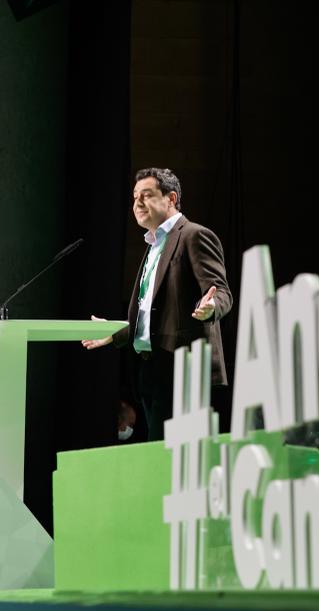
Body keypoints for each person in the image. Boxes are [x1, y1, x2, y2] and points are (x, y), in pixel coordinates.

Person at [83, 168, 233, 441]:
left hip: (182, 369)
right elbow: (155, 316)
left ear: (171, 198)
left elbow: (221, 292)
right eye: (134, 197)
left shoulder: (194, 236)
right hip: (151, 371)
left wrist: (212, 307)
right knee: (159, 459)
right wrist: (116, 332)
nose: (137, 203)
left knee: (177, 463)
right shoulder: (154, 245)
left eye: (147, 195)